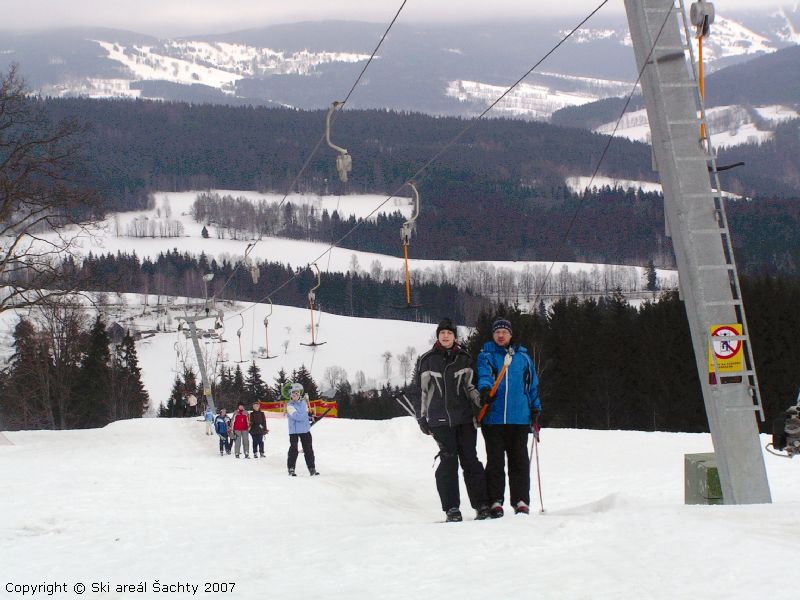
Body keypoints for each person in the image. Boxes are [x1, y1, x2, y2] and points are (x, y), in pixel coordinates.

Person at [415, 318, 490, 522]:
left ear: (454, 336)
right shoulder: (428, 360)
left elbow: (470, 386)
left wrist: (481, 400)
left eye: (449, 333)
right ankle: (452, 509)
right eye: (442, 333)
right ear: (438, 336)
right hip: (440, 420)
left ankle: (482, 505)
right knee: (448, 462)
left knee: (470, 461)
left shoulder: (464, 357)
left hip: (465, 419)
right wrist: (422, 417)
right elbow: (422, 392)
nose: (446, 336)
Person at [476, 317, 541, 518]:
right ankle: (495, 500)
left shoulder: (523, 357)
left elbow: (532, 386)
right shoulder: (486, 355)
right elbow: (484, 376)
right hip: (494, 419)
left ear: (510, 334)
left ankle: (520, 500)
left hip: (519, 419)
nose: (501, 335)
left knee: (519, 461)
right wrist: (486, 390)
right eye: (497, 332)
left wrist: (535, 408)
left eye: (504, 332)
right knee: (495, 461)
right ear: (493, 335)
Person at [285, 382, 319, 476]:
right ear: (291, 396)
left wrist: (311, 416)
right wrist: (307, 414)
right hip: (294, 431)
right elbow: (297, 416)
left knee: (308, 450)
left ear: (299, 395)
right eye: (293, 394)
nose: (295, 396)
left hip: (305, 430)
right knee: (294, 450)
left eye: (296, 394)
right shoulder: (290, 406)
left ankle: (312, 468)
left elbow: (306, 415)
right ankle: (291, 468)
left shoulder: (304, 403)